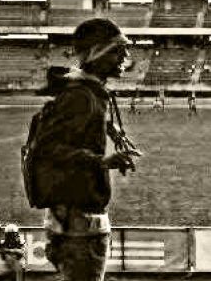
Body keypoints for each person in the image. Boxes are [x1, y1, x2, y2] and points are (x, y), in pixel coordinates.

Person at [42, 18, 141, 281]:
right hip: (78, 229)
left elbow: (74, 130)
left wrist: (109, 130)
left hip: (76, 224)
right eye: (119, 50)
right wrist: (102, 161)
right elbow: (47, 148)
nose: (126, 56)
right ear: (99, 53)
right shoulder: (80, 96)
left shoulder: (87, 93)